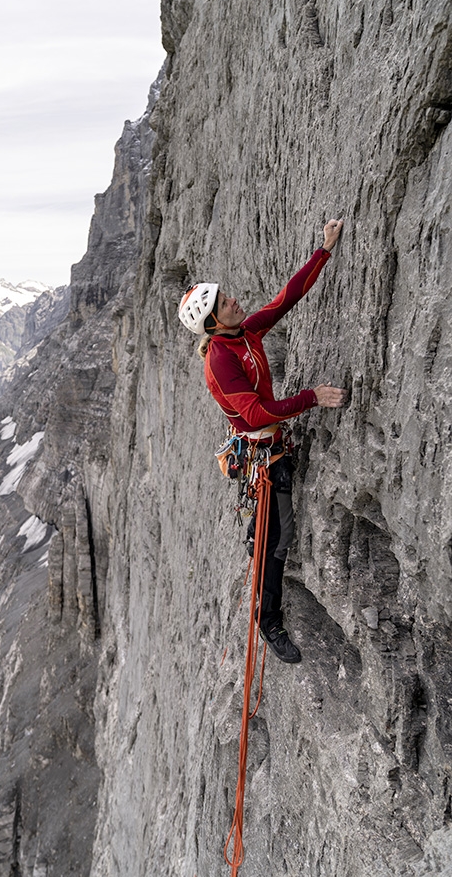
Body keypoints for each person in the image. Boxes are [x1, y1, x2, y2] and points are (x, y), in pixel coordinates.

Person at [178, 219, 348, 663]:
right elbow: (253, 413)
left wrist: (323, 250)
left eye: (227, 297)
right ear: (213, 322)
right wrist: (312, 397)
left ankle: (260, 537)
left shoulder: (243, 333)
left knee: (274, 529)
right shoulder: (219, 361)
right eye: (224, 302)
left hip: (268, 446)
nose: (234, 300)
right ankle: (267, 619)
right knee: (281, 535)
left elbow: (284, 300)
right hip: (262, 452)